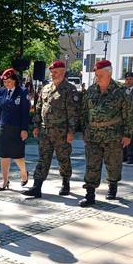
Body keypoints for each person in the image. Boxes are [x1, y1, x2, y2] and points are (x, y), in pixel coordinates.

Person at [78, 60, 133, 206]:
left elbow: (129, 115)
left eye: (100, 74)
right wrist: (84, 130)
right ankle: (90, 194)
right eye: (96, 75)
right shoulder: (90, 90)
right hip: (93, 135)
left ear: (109, 73)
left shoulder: (120, 92)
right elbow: (84, 112)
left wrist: (127, 134)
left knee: (113, 164)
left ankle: (112, 186)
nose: (97, 77)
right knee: (91, 165)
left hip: (113, 135)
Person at [23, 60, 79, 198]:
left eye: (56, 72)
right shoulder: (46, 88)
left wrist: (71, 132)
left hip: (62, 132)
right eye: (52, 72)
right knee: (43, 158)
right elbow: (39, 108)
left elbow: (73, 113)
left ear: (63, 72)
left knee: (63, 159)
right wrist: (36, 126)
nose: (53, 75)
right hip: (45, 131)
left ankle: (65, 182)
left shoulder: (70, 89)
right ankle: (37, 186)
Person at [0, 68, 30, 190]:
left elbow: (25, 113)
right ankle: (5, 181)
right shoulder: (1, 92)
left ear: (14, 80)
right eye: (5, 82)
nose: (7, 84)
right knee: (4, 156)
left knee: (17, 155)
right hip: (4, 127)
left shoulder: (22, 92)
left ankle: (24, 173)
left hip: (17, 128)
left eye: (9, 81)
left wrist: (24, 129)